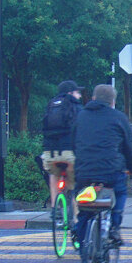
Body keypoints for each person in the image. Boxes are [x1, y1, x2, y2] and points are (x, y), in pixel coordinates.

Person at [72, 84, 132, 247]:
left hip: (84, 172)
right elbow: (130, 147)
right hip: (111, 171)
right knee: (121, 192)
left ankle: (81, 250)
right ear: (113, 101)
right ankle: (114, 226)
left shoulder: (80, 117)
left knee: (84, 208)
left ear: (93, 98)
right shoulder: (119, 117)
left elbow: (73, 143)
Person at [40, 80, 84, 211]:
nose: (80, 95)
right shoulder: (77, 108)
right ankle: (77, 218)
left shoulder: (50, 105)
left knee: (53, 174)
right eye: (77, 92)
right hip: (69, 154)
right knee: (77, 183)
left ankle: (54, 208)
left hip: (50, 154)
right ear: (70, 93)